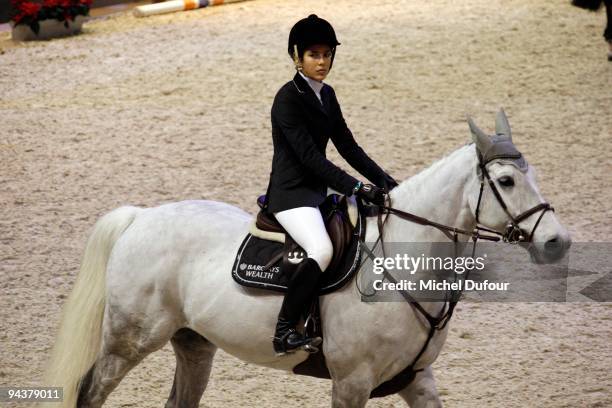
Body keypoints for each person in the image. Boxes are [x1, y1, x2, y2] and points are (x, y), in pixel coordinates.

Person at [264, 14, 399, 355]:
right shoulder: (287, 99)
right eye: (314, 55)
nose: (322, 62)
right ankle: (283, 331)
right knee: (321, 250)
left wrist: (384, 180)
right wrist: (355, 187)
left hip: (317, 194)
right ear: (298, 56)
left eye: (326, 55)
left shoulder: (327, 95)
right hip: (291, 196)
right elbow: (311, 158)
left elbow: (348, 147)